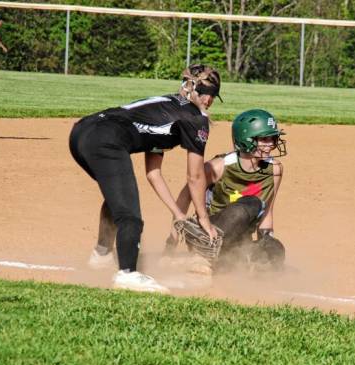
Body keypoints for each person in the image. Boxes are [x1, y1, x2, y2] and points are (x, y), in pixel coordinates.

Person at [69, 64, 222, 293]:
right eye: (205, 92)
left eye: (213, 95)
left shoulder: (167, 106)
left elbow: (154, 174)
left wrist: (179, 215)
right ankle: (128, 274)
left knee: (117, 197)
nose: (208, 100)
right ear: (191, 87)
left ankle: (101, 254)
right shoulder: (195, 119)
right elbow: (195, 176)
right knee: (130, 215)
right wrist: (204, 219)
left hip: (82, 132)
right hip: (105, 140)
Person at [166, 109, 287, 274]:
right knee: (250, 204)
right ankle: (200, 257)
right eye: (264, 139)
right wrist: (170, 243)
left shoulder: (274, 170)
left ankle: (230, 262)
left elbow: (267, 211)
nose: (271, 144)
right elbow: (187, 193)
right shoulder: (220, 166)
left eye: (273, 139)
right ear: (246, 139)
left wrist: (266, 243)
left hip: (238, 242)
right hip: (208, 234)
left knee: (275, 250)